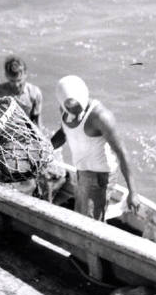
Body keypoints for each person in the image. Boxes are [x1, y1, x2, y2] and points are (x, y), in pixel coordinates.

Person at [50, 75, 139, 221]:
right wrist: (45, 148)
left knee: (88, 223)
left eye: (77, 106)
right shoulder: (64, 111)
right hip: (81, 171)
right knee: (82, 214)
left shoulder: (101, 117)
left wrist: (133, 192)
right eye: (69, 107)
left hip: (100, 176)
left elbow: (122, 152)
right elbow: (64, 132)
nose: (74, 110)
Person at [0, 56, 43, 127]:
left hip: (25, 130)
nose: (16, 85)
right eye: (12, 81)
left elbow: (36, 120)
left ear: (25, 75)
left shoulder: (34, 93)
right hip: (3, 130)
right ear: (6, 76)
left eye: (19, 80)